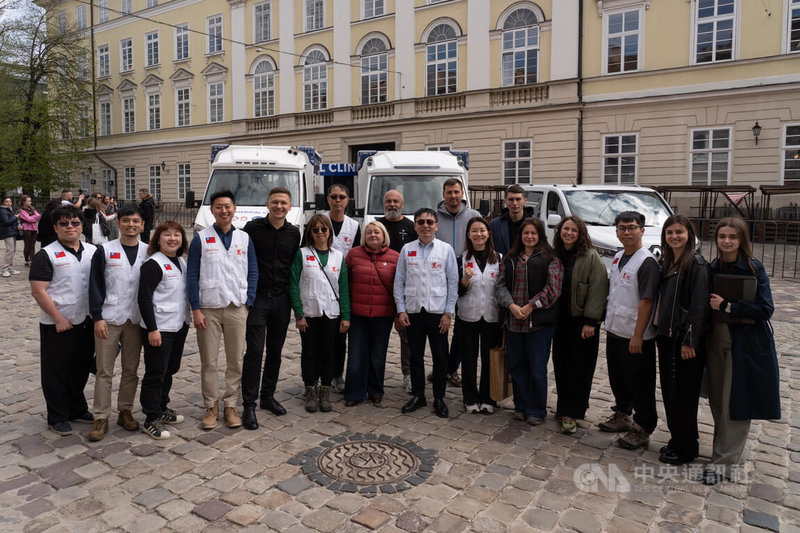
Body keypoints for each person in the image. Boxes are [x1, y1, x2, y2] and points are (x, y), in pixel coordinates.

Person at [704, 217, 780, 485]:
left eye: (732, 237)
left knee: (734, 403)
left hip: (744, 344)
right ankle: (722, 451)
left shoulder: (753, 267)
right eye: (722, 236)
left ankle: (723, 463)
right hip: (716, 341)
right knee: (717, 401)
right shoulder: (713, 267)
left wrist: (728, 307)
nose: (726, 241)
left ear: (741, 240)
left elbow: (765, 308)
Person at [187, 190, 258, 430]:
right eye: (218, 207)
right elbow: (192, 274)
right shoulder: (201, 238)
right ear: (213, 210)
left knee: (235, 360)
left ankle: (230, 405)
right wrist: (195, 309)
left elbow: (252, 271)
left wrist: (248, 301)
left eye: (227, 206)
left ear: (234, 209)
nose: (224, 211)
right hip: (209, 308)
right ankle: (210, 406)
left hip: (236, 307)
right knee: (209, 361)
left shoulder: (244, 238)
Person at [29, 205, 96, 435]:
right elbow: (39, 291)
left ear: (80, 225)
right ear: (56, 228)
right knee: (56, 371)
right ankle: (57, 415)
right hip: (57, 324)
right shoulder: (46, 255)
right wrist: (57, 318)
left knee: (80, 368)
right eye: (64, 224)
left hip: (85, 320)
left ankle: (76, 408)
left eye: (74, 223)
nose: (70, 227)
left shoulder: (92, 251)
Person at [86, 205, 149, 442]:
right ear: (118, 223)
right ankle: (100, 416)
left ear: (142, 224)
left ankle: (125, 410)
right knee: (104, 371)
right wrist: (97, 317)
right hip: (109, 319)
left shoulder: (148, 251)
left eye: (135, 221)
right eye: (126, 221)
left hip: (135, 319)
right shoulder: (104, 250)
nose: (131, 225)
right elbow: (94, 285)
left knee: (131, 370)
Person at [598, 211, 660, 450]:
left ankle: (644, 426)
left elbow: (647, 301)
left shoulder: (646, 262)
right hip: (616, 330)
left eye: (632, 227)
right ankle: (623, 413)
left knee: (640, 384)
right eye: (622, 228)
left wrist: (638, 335)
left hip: (636, 336)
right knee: (619, 378)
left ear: (642, 230)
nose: (626, 232)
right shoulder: (618, 257)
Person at [241, 187, 300, 429]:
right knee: (254, 351)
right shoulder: (252, 230)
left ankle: (267, 396)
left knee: (275, 350)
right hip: (258, 299)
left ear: (289, 206)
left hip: (281, 299)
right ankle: (249, 404)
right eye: (275, 202)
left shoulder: (294, 233)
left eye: (283, 203)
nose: (279, 206)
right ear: (267, 204)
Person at [654, 215, 710, 464]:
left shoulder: (695, 264)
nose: (674, 236)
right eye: (669, 232)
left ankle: (686, 448)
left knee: (684, 396)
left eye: (679, 232)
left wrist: (690, 339)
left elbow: (698, 306)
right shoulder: (669, 262)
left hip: (682, 340)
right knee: (670, 392)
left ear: (689, 235)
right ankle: (678, 439)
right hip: (666, 336)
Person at [495, 218, 562, 425]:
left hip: (539, 324)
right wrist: (512, 306)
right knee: (517, 366)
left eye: (533, 233)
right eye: (526, 233)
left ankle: (537, 410)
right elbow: (499, 287)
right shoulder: (510, 259)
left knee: (537, 368)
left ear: (540, 235)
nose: (529, 237)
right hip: (514, 322)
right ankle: (521, 406)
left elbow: (553, 290)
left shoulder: (551, 259)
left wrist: (531, 306)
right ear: (520, 236)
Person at [394, 208, 458, 419]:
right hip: (413, 311)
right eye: (421, 222)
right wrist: (401, 309)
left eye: (429, 222)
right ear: (415, 226)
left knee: (440, 358)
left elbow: (453, 282)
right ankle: (419, 395)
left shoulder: (445, 249)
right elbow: (399, 281)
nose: (425, 225)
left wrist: (449, 313)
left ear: (436, 226)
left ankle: (439, 397)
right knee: (415, 357)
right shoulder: (407, 249)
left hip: (438, 312)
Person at [552, 216, 609, 434]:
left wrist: (591, 322)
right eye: (565, 229)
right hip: (560, 322)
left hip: (582, 323)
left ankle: (572, 413)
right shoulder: (555, 253)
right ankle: (564, 407)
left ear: (580, 233)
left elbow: (598, 289)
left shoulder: (590, 257)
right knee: (561, 365)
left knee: (580, 369)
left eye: (573, 230)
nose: (569, 233)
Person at [289, 214, 350, 413]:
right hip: (309, 313)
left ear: (329, 232)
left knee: (328, 353)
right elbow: (293, 285)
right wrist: (299, 314)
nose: (320, 233)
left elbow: (343, 288)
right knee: (309, 353)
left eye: (324, 229)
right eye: (316, 230)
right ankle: (310, 389)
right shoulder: (303, 254)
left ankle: (325, 389)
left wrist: (346, 315)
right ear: (310, 233)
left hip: (331, 313)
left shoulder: (338, 256)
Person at [138, 221, 190, 439]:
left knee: (170, 369)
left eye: (177, 235)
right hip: (159, 327)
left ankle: (161, 407)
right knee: (156, 373)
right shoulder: (153, 264)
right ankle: (150, 417)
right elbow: (144, 297)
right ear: (157, 239)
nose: (172, 238)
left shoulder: (180, 261)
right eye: (167, 235)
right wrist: (152, 328)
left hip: (178, 325)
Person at [343, 221, 399, 406]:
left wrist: (398, 313)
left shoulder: (395, 257)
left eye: (377, 232)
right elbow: (344, 283)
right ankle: (354, 392)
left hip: (382, 315)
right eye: (369, 232)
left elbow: (399, 287)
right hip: (357, 314)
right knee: (356, 354)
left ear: (384, 236)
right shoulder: (353, 255)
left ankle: (375, 390)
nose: (373, 235)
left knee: (377, 354)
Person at [435, 178, 479, 387]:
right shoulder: (434, 217)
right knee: (440, 326)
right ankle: (441, 366)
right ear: (443, 194)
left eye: (456, 192)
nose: (453, 196)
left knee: (461, 327)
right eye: (449, 192)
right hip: (439, 276)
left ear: (462, 193)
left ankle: (452, 367)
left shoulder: (473, 216)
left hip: (466, 274)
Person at [456, 217, 502, 415]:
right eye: (474, 231)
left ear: (488, 233)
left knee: (489, 358)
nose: (478, 234)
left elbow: (502, 288)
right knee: (468, 358)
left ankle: (488, 398)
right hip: (468, 316)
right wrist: (464, 280)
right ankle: (470, 397)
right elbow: (455, 291)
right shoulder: (461, 259)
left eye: (482, 230)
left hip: (492, 317)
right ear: (468, 234)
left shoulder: (499, 258)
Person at [376, 189, 416, 394]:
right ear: (384, 204)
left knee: (406, 337)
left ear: (402, 204)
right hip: (379, 290)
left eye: (396, 201)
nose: (392, 204)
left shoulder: (411, 227)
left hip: (405, 291)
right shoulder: (376, 225)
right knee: (378, 336)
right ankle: (374, 376)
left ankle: (408, 374)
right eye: (388, 201)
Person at [325, 184, 360, 393]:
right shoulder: (319, 222)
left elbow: (356, 256)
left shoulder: (355, 226)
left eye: (342, 197)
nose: (338, 200)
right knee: (320, 336)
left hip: (344, 289)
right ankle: (318, 377)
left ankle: (338, 374)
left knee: (340, 336)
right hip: (320, 287)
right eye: (334, 196)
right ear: (327, 199)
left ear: (348, 200)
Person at [490, 185, 535, 256]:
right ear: (505, 202)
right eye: (511, 199)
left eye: (518, 199)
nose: (514, 203)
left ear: (524, 201)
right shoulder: (494, 224)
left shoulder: (536, 224)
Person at [18, 195, 41, 267]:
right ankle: (26, 259)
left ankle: (32, 259)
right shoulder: (22, 210)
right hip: (26, 228)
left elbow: (39, 216)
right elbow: (28, 219)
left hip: (34, 228)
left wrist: (32, 217)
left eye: (30, 201)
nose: (30, 202)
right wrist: (34, 218)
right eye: (28, 201)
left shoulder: (32, 209)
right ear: (24, 202)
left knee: (32, 245)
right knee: (27, 245)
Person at [1, 197, 20, 277]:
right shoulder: (2, 210)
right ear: (3, 203)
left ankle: (10, 268)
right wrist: (15, 217)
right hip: (7, 232)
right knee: (10, 250)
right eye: (6, 201)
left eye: (10, 201)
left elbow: (12, 221)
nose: (9, 203)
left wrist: (18, 224)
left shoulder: (10, 209)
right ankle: (4, 270)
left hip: (12, 231)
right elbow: (7, 222)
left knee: (13, 250)